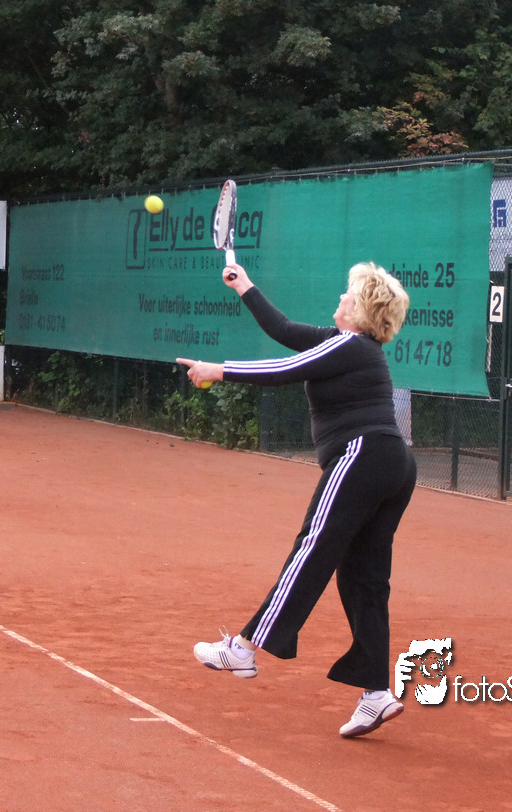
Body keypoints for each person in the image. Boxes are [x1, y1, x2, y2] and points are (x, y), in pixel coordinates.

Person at [176, 260, 416, 738]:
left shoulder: (349, 345)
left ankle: (243, 649)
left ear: (360, 309)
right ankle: (375, 693)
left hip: (362, 456)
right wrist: (244, 285)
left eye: (348, 294)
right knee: (364, 579)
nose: (341, 297)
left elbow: (284, 369)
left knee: (312, 551)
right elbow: (283, 331)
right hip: (394, 466)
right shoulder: (345, 345)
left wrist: (217, 370)